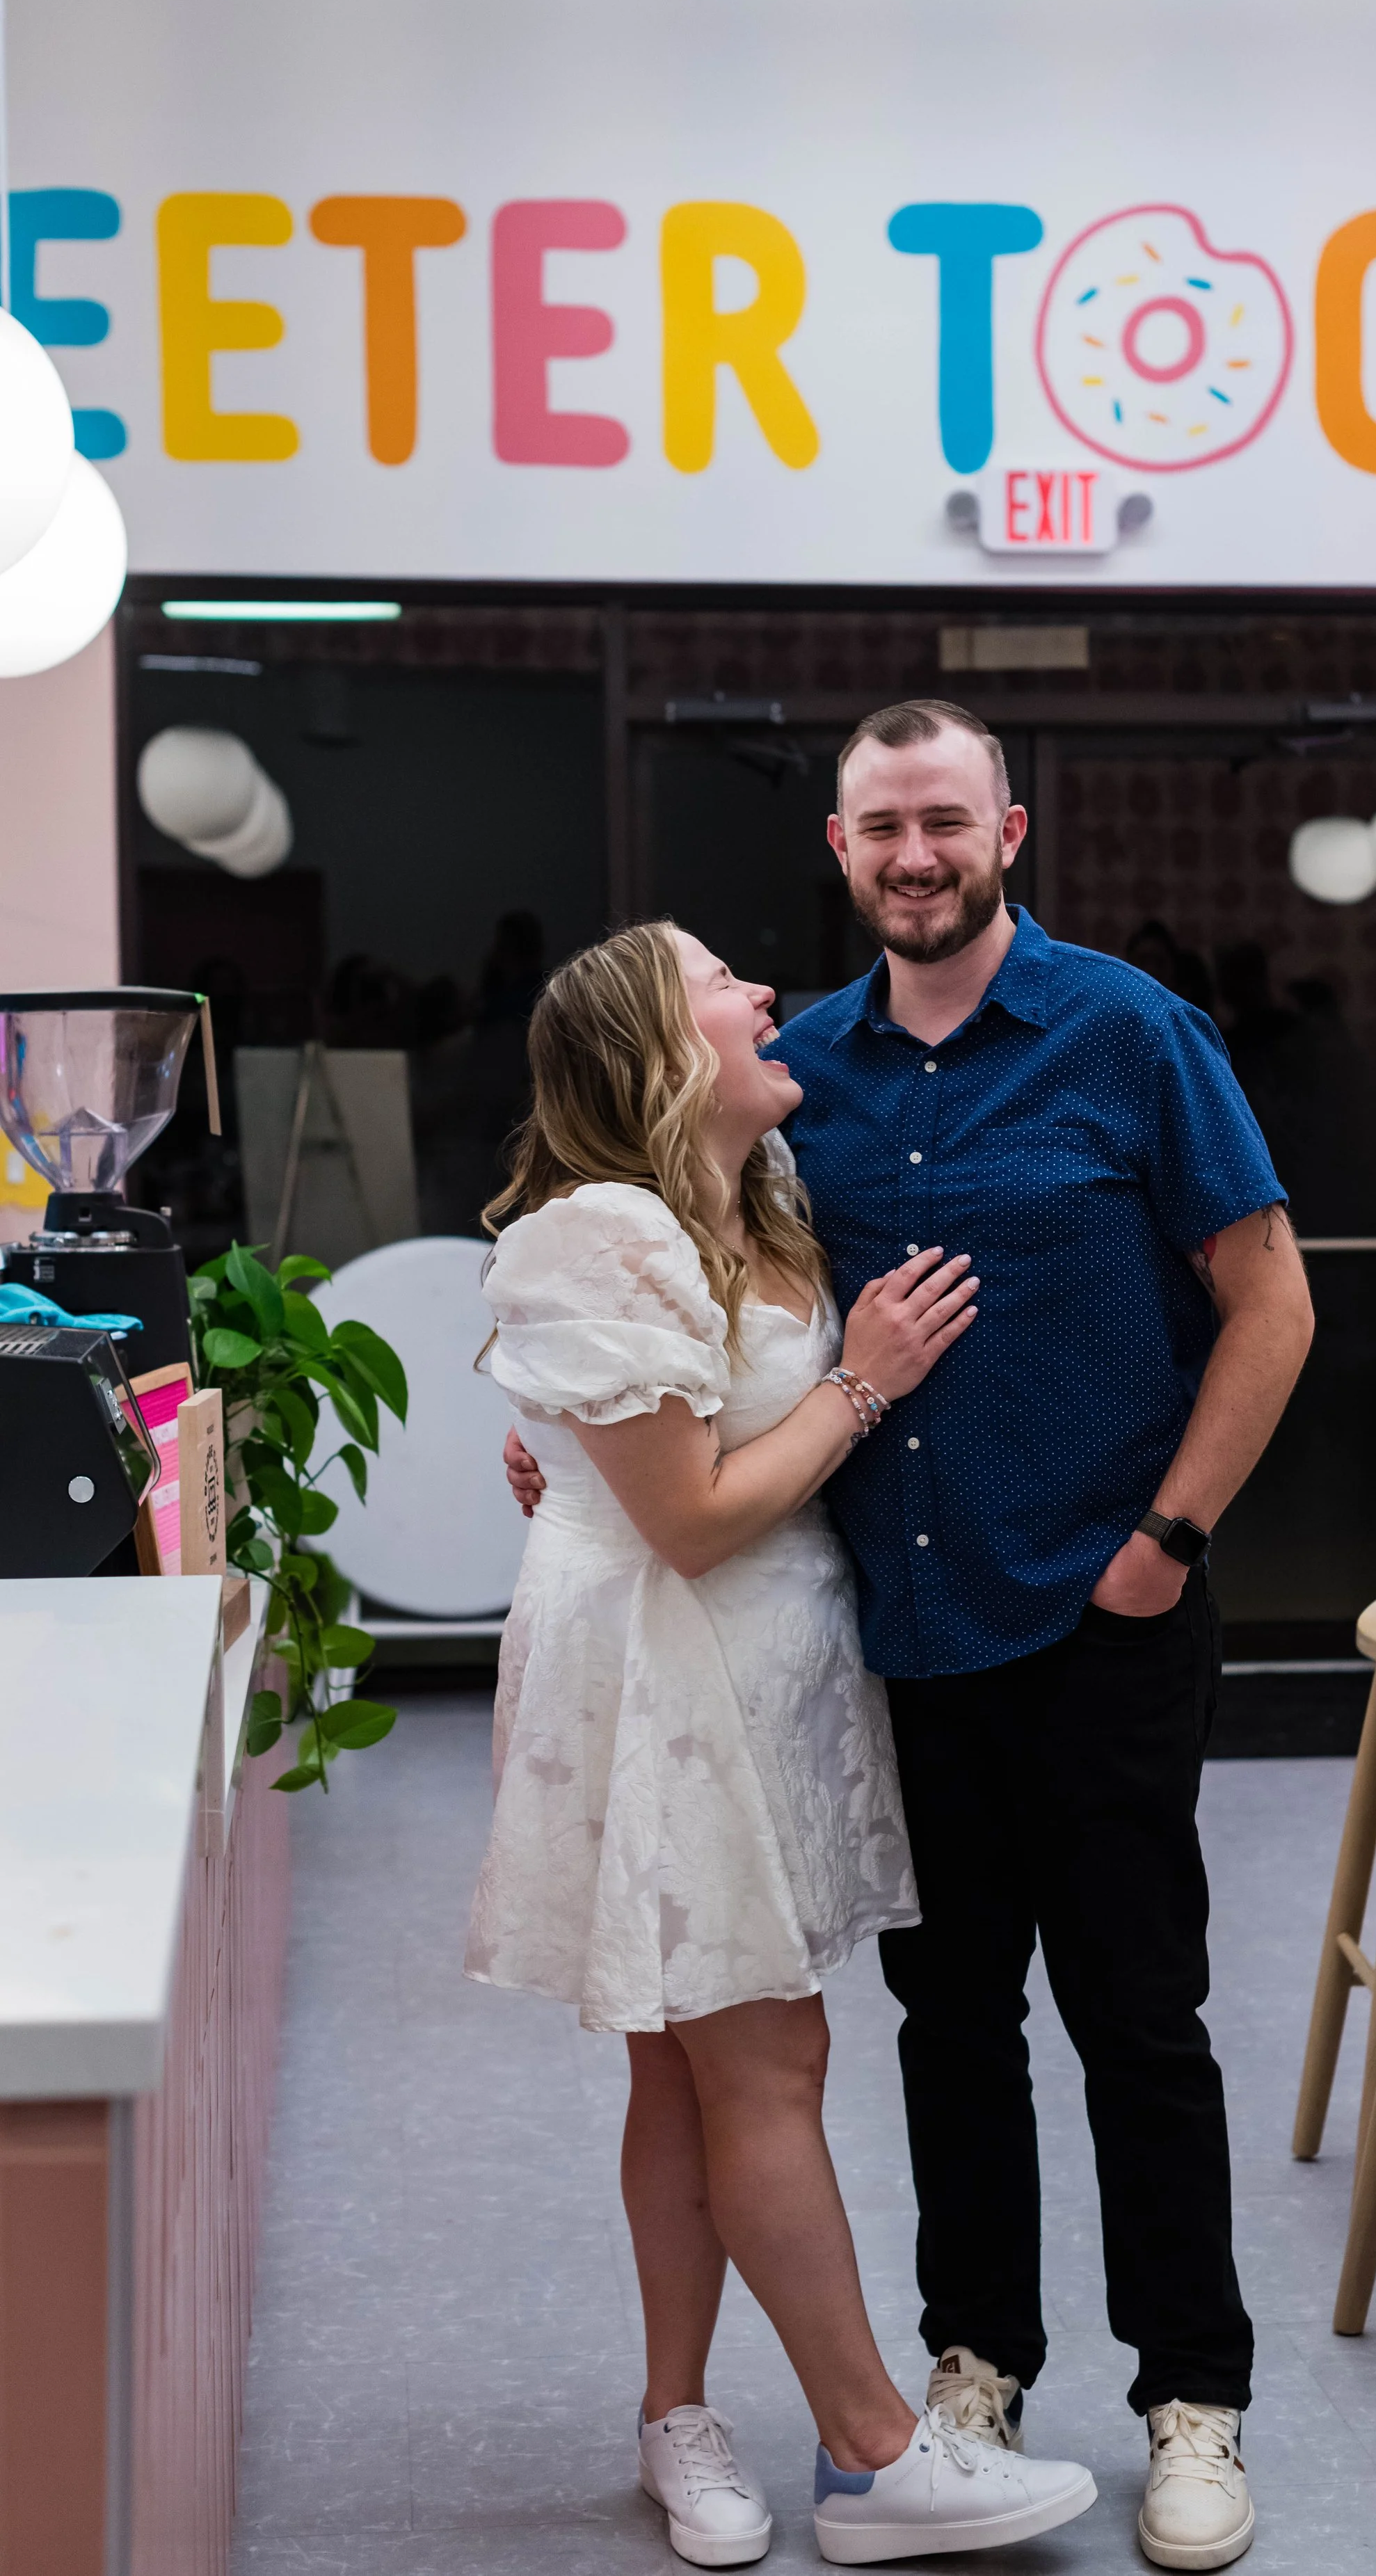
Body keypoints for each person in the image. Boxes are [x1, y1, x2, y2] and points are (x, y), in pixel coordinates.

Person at [508, 701, 1314, 2570]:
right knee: (947, 2026)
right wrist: (567, 1427)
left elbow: (1263, 1299)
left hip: (1098, 1609)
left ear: (1007, 830)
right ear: (843, 849)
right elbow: (676, 1286)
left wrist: (1165, 1540)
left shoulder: (1131, 1033)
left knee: (1139, 2017)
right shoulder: (796, 1077)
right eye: (882, 827)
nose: (916, 853)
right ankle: (974, 2365)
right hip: (893, 1633)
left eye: (946, 819)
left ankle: (1192, 2398)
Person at [467, 920, 1098, 2568]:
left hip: (758, 1679)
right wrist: (866, 1382)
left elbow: (655, 1436)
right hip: (674, 1679)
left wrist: (589, 1453)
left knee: (684, 2066)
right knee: (765, 2061)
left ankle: (677, 2418)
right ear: (659, 1054)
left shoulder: (756, 1194)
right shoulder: (601, 1228)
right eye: (723, 984)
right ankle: (876, 2453)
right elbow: (689, 1523)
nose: (766, 996)